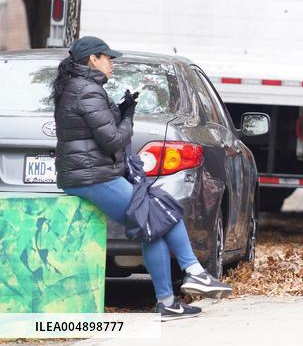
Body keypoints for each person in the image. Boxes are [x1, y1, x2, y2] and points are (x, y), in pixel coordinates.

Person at [53, 37, 230, 320]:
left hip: (92, 173)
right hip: (93, 177)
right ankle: (194, 272)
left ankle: (168, 302)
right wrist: (128, 118)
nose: (111, 63)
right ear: (92, 60)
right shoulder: (87, 91)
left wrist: (120, 111)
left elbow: (98, 133)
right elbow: (112, 140)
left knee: (153, 223)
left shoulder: (79, 87)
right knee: (157, 212)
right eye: (107, 58)